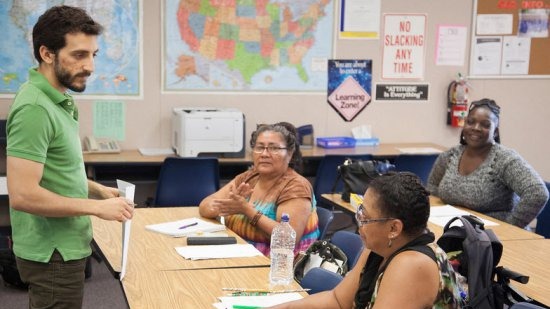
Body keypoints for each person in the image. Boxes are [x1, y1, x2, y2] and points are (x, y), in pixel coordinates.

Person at [6, 6, 134, 308]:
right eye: (79, 55)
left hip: (63, 245)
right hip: (53, 252)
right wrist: (96, 208)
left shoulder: (58, 99)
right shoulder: (35, 109)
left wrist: (95, 188)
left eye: (94, 55)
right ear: (47, 53)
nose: (90, 66)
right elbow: (23, 195)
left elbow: (56, 169)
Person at [269, 172, 463, 309]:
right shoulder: (380, 246)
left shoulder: (412, 264)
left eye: (365, 217)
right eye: (360, 210)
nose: (359, 220)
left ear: (394, 228)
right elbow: (337, 300)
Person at [199, 122, 320, 256]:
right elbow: (204, 205)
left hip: (279, 267)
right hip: (239, 255)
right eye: (259, 147)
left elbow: (288, 240)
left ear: (290, 154)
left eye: (274, 148)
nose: (264, 154)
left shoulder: (296, 186)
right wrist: (225, 206)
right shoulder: (249, 177)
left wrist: (246, 210)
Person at [428, 98, 548, 228]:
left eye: (485, 125)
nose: (476, 128)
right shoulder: (449, 156)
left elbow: (537, 193)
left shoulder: (505, 159)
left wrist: (510, 226)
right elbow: (431, 189)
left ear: (495, 131)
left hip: (497, 238)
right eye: (470, 122)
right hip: (457, 230)